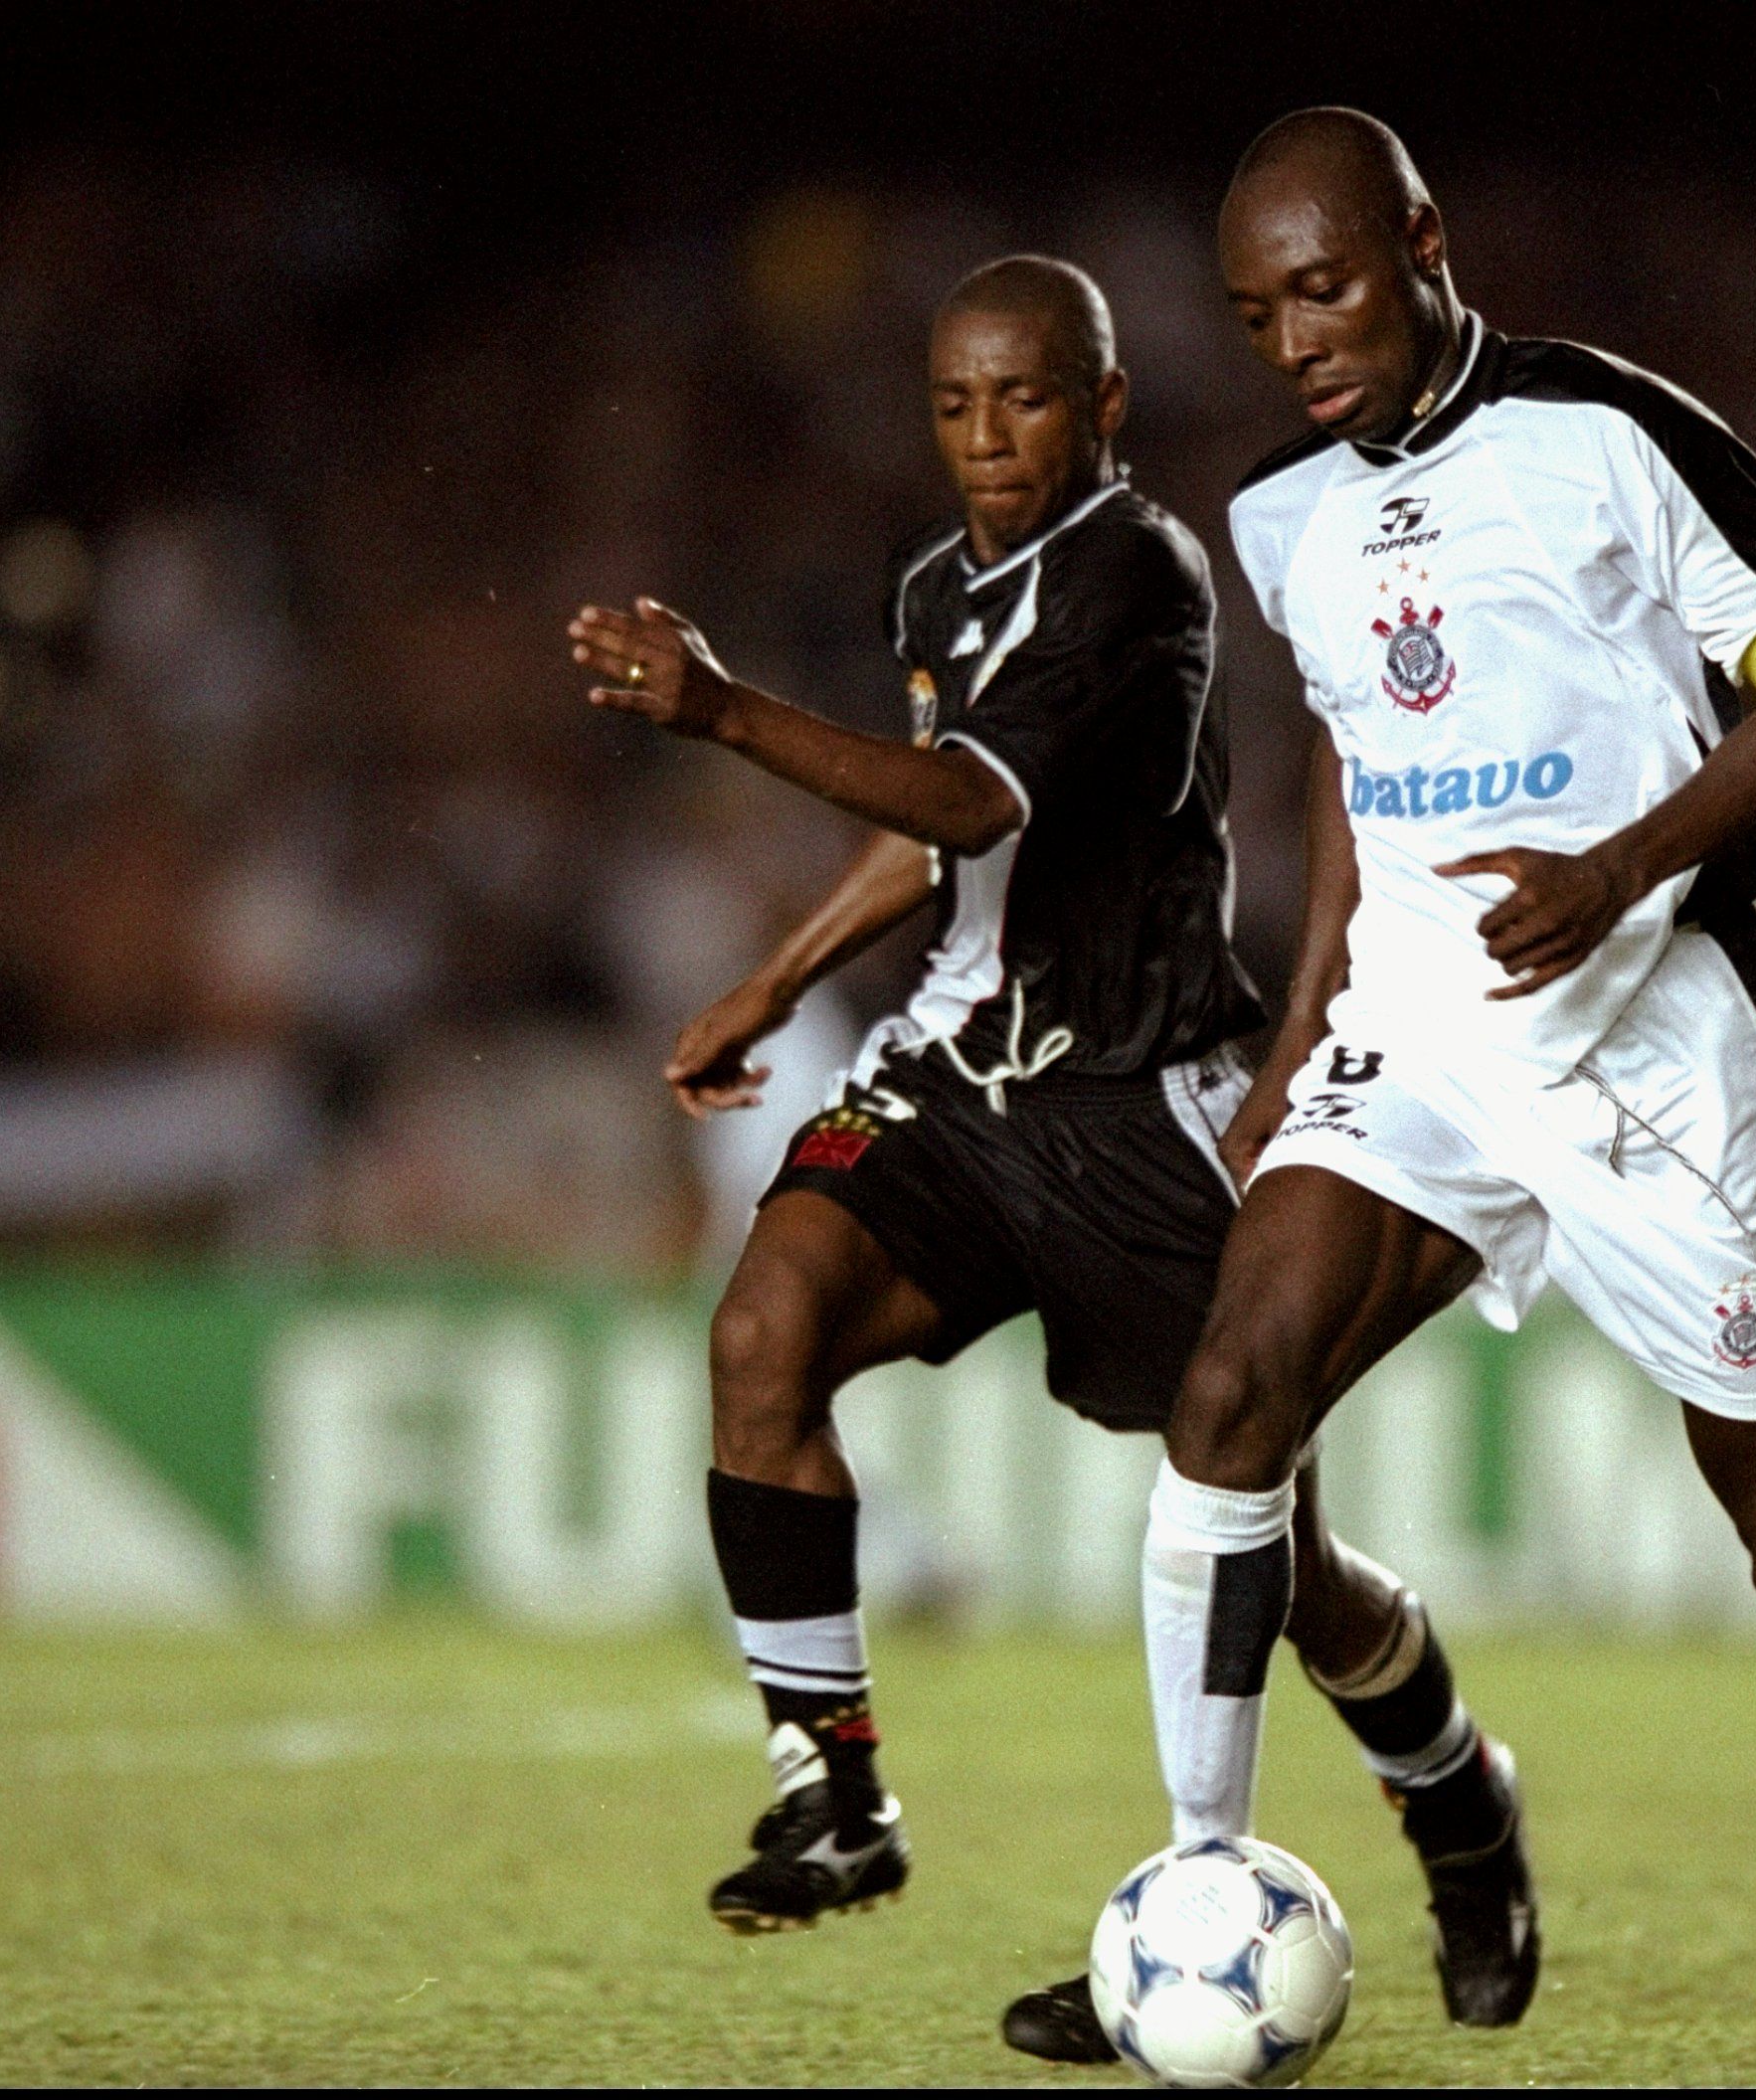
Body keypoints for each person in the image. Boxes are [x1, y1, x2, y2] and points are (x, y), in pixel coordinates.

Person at [1133, 111, 1756, 2056]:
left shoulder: (1618, 436)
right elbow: (1341, 761)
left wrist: (1620, 869)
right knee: (1229, 1407)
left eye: (1325, 286)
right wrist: (1307, 1016)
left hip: (1659, 1047)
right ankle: (1222, 1872)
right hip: (1417, 1041)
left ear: (1420, 240)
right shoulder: (1279, 515)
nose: (1300, 339)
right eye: (1258, 315)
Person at [568, 254, 1539, 2064]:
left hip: (1137, 1103)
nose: (986, 437)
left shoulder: (1141, 575)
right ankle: (833, 1792)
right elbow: (937, 839)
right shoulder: (936, 582)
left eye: (1024, 400)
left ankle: (1456, 1792)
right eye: (953, 404)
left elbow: (968, 800)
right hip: (955, 1076)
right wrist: (774, 981)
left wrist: (720, 713)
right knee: (763, 1333)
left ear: (1101, 407)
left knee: (1276, 1547)